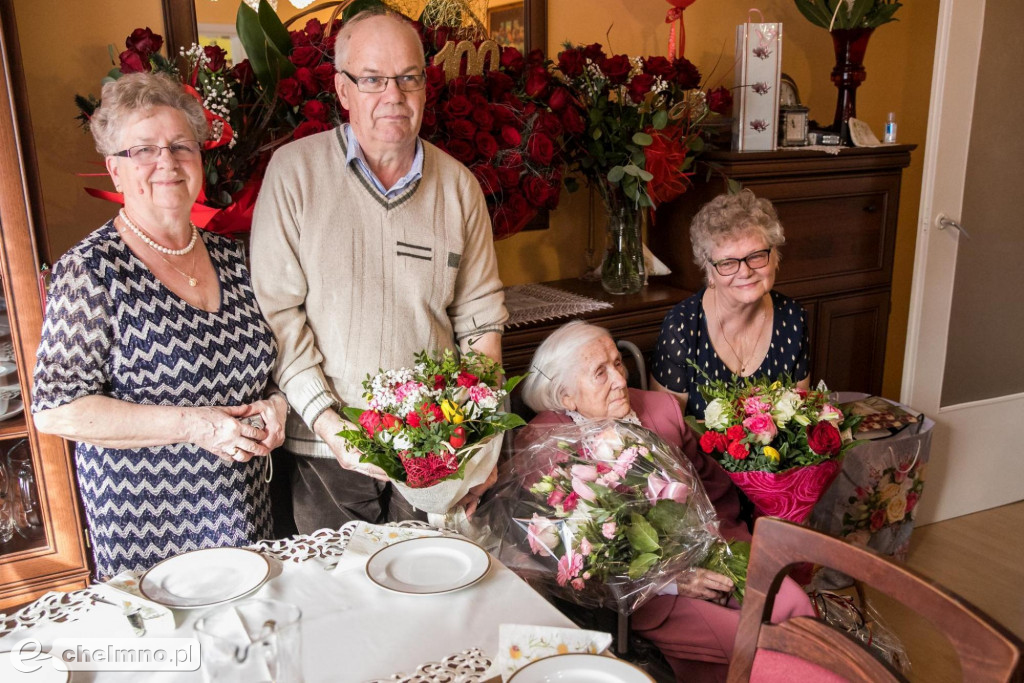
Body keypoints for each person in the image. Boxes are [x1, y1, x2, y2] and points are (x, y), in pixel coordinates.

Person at [250, 8, 507, 533]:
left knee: (430, 580)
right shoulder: (294, 173)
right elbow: (278, 316)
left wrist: (480, 447)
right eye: (372, 79)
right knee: (340, 583)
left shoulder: (459, 188)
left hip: (434, 447)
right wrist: (329, 424)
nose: (394, 95)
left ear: (425, 87)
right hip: (326, 448)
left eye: (408, 78)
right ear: (343, 89)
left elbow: (481, 324)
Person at [31, 73, 286, 579]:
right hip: (148, 529)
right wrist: (195, 425)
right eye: (143, 150)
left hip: (245, 512)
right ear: (115, 170)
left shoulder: (235, 257)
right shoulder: (91, 270)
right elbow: (56, 410)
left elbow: (269, 364)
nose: (166, 161)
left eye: (180, 146)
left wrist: (278, 404)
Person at [520, 321, 814, 682]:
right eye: (600, 372)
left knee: (795, 606)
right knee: (763, 647)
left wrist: (717, 546)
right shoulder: (547, 443)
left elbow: (715, 489)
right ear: (566, 396)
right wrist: (672, 580)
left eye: (618, 363)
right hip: (647, 596)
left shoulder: (661, 409)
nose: (619, 379)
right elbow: (573, 554)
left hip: (715, 548)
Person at [650, 189, 810, 419]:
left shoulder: (794, 318)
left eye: (756, 256)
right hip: (694, 445)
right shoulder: (681, 327)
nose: (745, 272)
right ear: (709, 272)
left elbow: (799, 419)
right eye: (727, 263)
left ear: (775, 256)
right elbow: (668, 430)